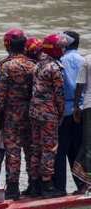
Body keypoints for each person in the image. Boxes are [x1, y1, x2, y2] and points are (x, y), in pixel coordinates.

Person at [0, 33, 36, 200]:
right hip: (31, 113)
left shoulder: (6, 66)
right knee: (30, 149)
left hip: (12, 114)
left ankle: (12, 188)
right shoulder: (33, 64)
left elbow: (1, 94)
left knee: (13, 151)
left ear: (7, 45)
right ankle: (34, 184)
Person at [28, 34, 66, 198]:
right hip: (48, 112)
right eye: (60, 46)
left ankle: (34, 184)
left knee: (36, 148)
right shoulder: (54, 68)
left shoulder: (37, 65)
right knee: (49, 149)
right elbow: (59, 95)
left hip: (34, 111)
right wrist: (61, 113)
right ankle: (47, 185)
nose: (63, 49)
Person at [54, 31, 85, 194]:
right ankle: (82, 185)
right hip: (81, 111)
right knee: (77, 149)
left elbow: (68, 87)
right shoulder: (83, 60)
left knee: (60, 151)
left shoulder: (61, 61)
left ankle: (59, 188)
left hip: (65, 111)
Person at [72, 51, 91, 193]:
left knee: (88, 144)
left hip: (89, 106)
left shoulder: (87, 60)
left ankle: (86, 183)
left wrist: (76, 107)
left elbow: (79, 85)